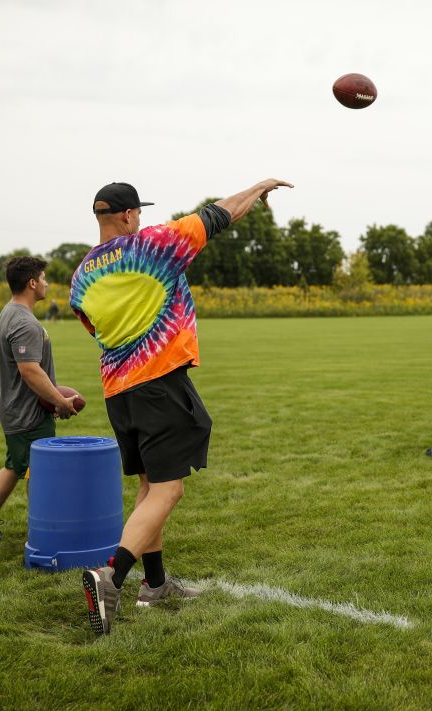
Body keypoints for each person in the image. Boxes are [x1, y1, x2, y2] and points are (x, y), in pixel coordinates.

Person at [72, 179, 293, 635]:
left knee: (150, 485)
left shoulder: (80, 276)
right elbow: (220, 213)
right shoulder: (155, 243)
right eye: (140, 214)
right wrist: (261, 186)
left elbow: (94, 328)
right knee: (169, 491)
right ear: (130, 215)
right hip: (159, 384)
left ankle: (154, 585)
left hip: (119, 391)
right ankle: (110, 577)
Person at [0, 257, 79, 543]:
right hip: (27, 413)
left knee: (15, 466)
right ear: (31, 283)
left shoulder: (9, 312)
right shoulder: (23, 321)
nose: (46, 283)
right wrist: (60, 402)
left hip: (16, 408)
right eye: (43, 278)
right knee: (38, 472)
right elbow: (30, 371)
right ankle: (45, 534)